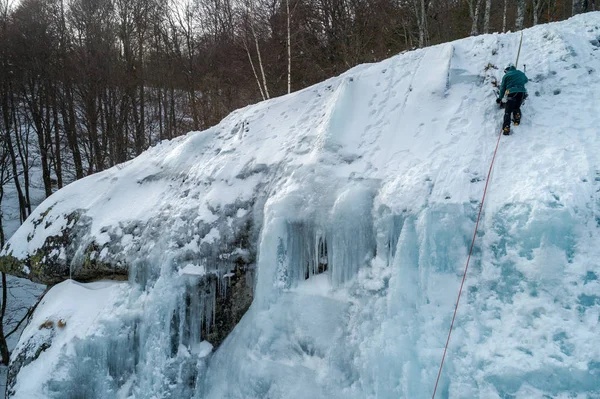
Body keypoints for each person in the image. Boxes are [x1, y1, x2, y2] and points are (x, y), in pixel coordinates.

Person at [496, 63, 528, 135]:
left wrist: (500, 98)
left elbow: (502, 88)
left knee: (508, 111)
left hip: (511, 92)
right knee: (516, 107)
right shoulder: (521, 73)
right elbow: (526, 80)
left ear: (507, 69)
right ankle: (517, 118)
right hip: (521, 93)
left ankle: (506, 127)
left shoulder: (506, 76)